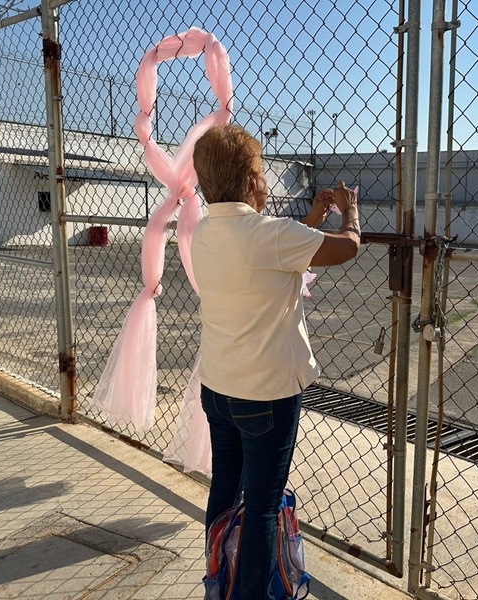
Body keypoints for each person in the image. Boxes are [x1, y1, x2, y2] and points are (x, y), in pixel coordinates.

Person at [191, 123, 360, 599]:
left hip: (218, 389)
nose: (266, 179)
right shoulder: (271, 235)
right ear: (251, 181)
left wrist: (314, 216)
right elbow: (347, 247)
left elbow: (278, 251)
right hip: (265, 395)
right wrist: (349, 210)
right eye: (262, 171)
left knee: (225, 490)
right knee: (263, 506)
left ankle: (219, 581)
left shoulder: (205, 231)